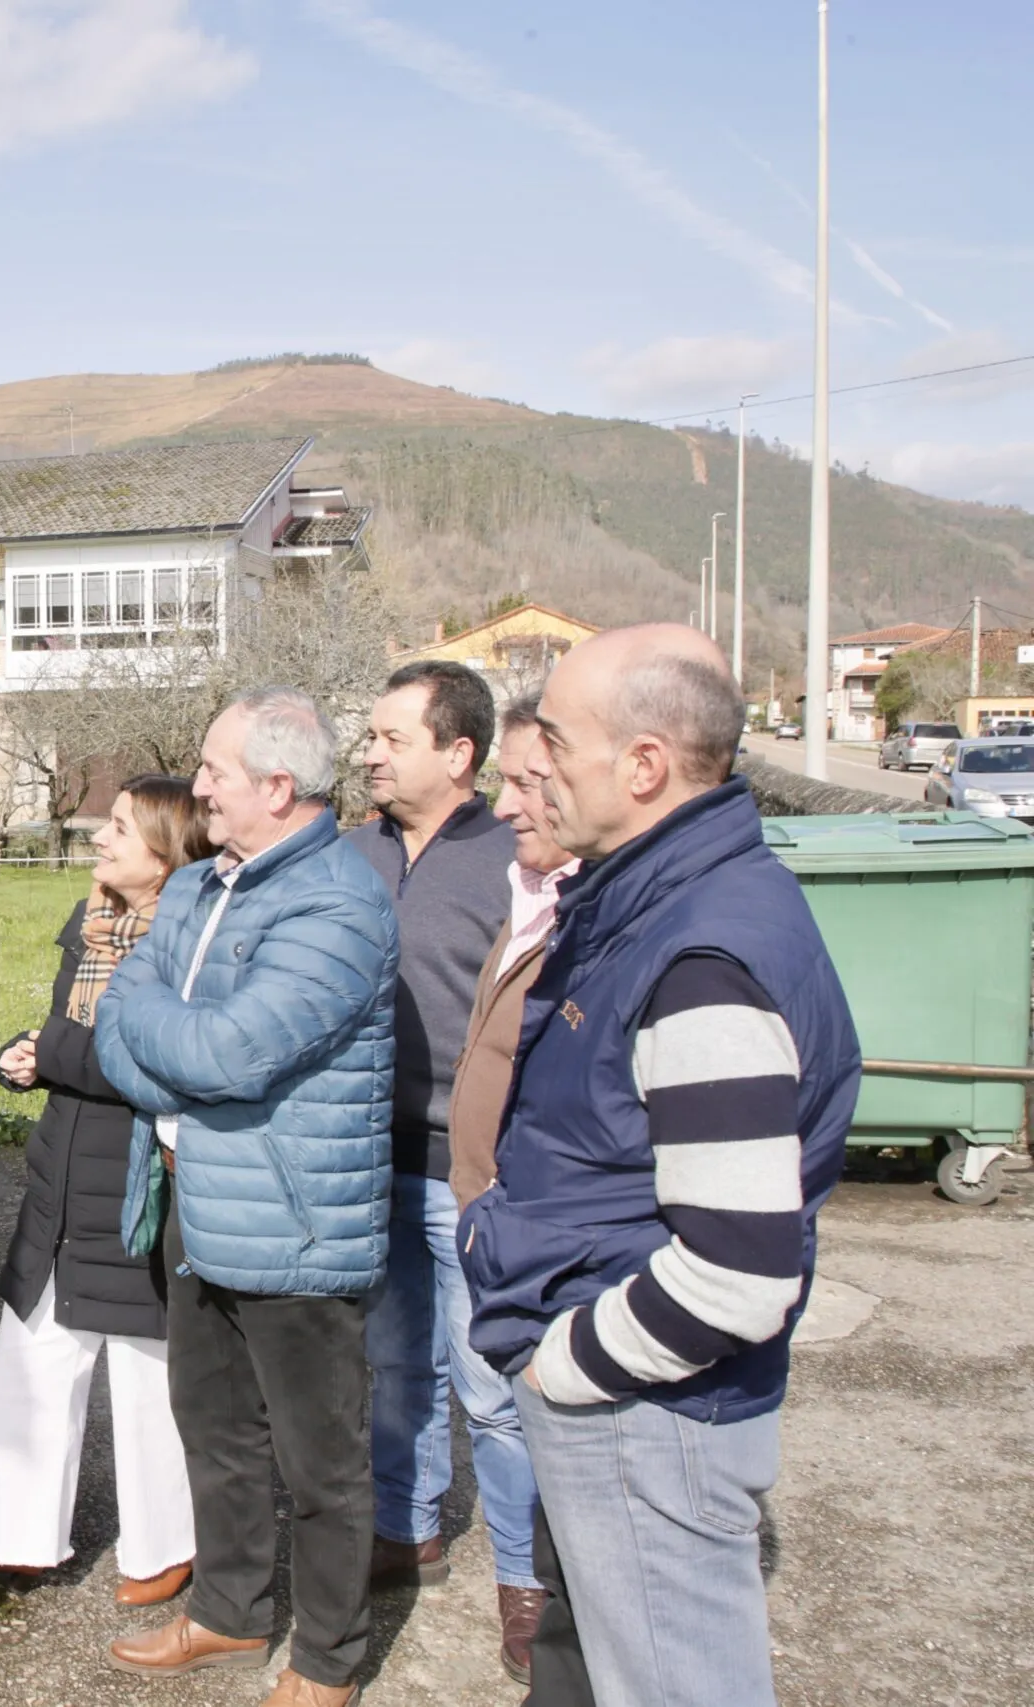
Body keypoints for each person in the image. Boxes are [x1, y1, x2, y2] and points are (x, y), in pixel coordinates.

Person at [462, 625, 860, 1707]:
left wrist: (568, 1363)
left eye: (558, 743)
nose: (535, 772)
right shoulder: (651, 905)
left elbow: (736, 1271)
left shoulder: (697, 960)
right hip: (629, 1401)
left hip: (646, 1414)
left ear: (641, 766)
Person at [93, 687, 398, 1707]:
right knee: (211, 1421)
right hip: (190, 1197)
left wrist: (158, 1042)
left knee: (319, 1458)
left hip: (292, 1220)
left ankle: (327, 1662)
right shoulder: (200, 882)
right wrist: (162, 1050)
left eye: (216, 770)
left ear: (278, 785)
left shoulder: (339, 906)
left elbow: (229, 1052)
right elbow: (117, 1012)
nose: (200, 787)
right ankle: (227, 1616)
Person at [0, 777, 213, 1604]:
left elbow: (160, 1065)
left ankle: (166, 1547)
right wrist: (28, 1055)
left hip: (135, 1188)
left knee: (147, 1373)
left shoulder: (187, 944)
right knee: (32, 1357)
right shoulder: (86, 927)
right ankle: (9, 1536)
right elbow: (73, 1038)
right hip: (61, 1179)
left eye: (119, 827)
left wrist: (50, 1052)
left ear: (163, 851)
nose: (99, 838)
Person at [345, 661, 540, 1681]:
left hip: (472, 1174)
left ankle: (524, 1581)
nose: (369, 752)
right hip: (370, 1164)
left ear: (458, 753)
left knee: (493, 1386)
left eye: (390, 737)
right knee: (395, 1363)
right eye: (369, 737)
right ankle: (404, 1525)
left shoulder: (516, 855)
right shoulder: (348, 853)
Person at [450, 695, 587, 1702]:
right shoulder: (528, 893)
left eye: (524, 782)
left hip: (540, 1230)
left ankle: (542, 1587)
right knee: (486, 1400)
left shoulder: (594, 914)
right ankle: (527, 1579)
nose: (504, 804)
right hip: (485, 1207)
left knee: (532, 1413)